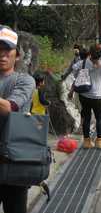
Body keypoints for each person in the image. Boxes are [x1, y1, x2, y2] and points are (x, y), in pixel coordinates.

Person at [0, 25, 36, 213]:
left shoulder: (24, 80)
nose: (2, 55)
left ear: (17, 55)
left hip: (14, 163)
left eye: (7, 50)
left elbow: (9, 107)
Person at [72, 45, 101, 149]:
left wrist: (79, 76)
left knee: (86, 117)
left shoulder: (83, 63)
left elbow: (74, 70)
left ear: (90, 54)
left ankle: (87, 141)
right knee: (99, 117)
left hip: (84, 94)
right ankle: (100, 141)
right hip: (97, 95)